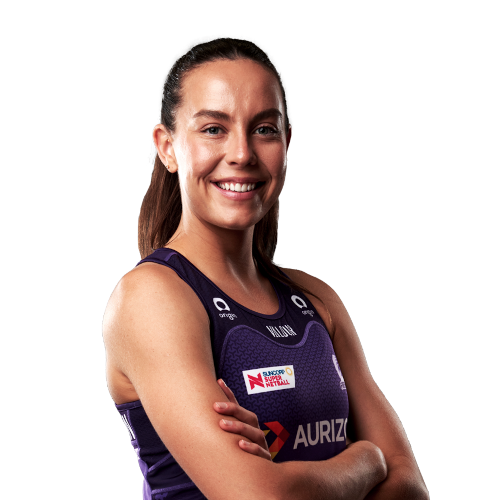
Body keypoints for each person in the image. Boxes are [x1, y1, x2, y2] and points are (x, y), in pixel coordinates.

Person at [102, 34, 429, 500]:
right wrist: (365, 460)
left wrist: (289, 478)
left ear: (287, 143)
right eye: (213, 129)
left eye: (264, 129)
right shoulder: (151, 296)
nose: (242, 153)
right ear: (167, 146)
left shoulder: (316, 298)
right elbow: (261, 497)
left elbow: (410, 487)